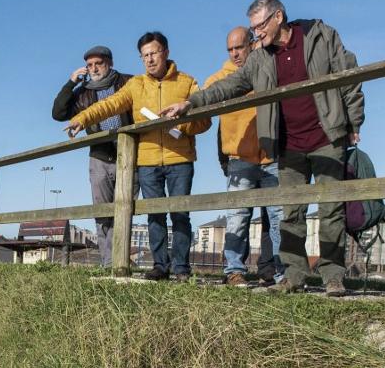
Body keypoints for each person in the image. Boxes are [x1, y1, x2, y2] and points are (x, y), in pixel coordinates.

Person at [163, 0, 365, 295]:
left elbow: (349, 76)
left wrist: (353, 122)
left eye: (260, 26)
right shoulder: (260, 58)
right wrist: (191, 102)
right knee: (291, 213)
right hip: (289, 143)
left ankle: (333, 276)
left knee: (331, 209)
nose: (256, 33)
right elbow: (230, 85)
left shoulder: (320, 37)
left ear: (278, 17)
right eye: (253, 28)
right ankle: (294, 275)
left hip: (327, 136)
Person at [65, 32, 211, 282]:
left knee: (180, 214)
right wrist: (82, 118)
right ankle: (160, 266)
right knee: (154, 214)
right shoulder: (136, 85)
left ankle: (181, 268)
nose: (150, 59)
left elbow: (205, 121)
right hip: (147, 160)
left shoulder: (187, 82)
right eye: (145, 56)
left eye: (154, 53)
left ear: (165, 52)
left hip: (180, 159)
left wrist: (182, 124)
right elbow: (109, 105)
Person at [207, 26, 284, 287]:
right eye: (230, 49)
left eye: (239, 47)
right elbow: (202, 100)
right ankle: (234, 270)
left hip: (271, 155)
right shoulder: (220, 78)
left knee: (278, 217)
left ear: (251, 44)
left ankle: (282, 272)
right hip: (240, 157)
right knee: (238, 217)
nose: (235, 53)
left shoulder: (268, 68)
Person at [51, 46, 134, 268]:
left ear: (110, 63)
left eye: (99, 63)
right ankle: (109, 263)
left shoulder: (127, 82)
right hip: (99, 156)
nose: (94, 68)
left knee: (126, 209)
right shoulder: (83, 92)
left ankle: (121, 261)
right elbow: (58, 113)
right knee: (102, 213)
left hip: (128, 155)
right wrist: (71, 83)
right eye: (89, 65)